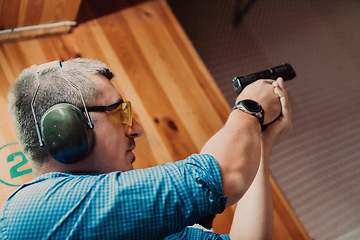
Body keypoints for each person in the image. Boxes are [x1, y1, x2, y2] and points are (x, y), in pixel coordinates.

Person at [0, 58, 292, 239]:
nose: (136, 127)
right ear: (66, 129)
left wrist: (261, 141)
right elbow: (221, 175)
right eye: (119, 112)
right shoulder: (31, 211)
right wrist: (250, 109)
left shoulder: (129, 222)